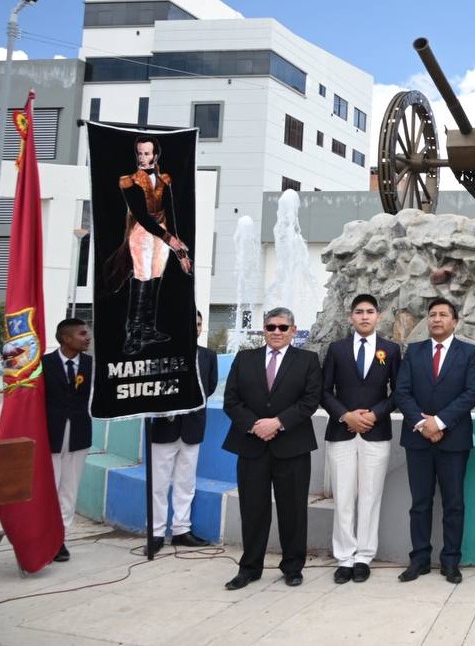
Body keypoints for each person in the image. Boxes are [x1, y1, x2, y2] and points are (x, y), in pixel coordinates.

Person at [221, 307, 322, 590]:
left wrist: (277, 423)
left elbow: (310, 401)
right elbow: (231, 400)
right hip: (252, 445)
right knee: (253, 510)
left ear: (293, 330)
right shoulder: (245, 359)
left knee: (293, 510)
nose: (276, 332)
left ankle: (292, 567)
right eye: (270, 327)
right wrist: (255, 425)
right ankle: (250, 568)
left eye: (282, 327)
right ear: (263, 329)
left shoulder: (308, 360)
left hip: (292, 446)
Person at [394, 297, 475, 585]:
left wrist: (439, 422)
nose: (437, 319)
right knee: (420, 502)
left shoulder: (468, 353)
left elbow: (471, 393)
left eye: (443, 314)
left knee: (454, 503)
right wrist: (423, 424)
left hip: (453, 439)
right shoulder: (414, 351)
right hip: (418, 439)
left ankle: (451, 561)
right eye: (432, 315)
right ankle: (418, 559)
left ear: (455, 321)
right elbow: (402, 392)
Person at [321, 293, 403, 585]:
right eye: (359, 312)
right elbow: (324, 390)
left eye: (370, 311)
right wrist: (346, 416)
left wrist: (374, 414)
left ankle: (364, 556)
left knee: (370, 497)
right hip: (341, 432)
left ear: (378, 316)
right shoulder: (337, 349)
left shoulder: (391, 350)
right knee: (343, 496)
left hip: (375, 432)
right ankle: (344, 556)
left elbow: (398, 392)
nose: (365, 316)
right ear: (351, 317)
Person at [105, 135, 193, 355]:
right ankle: (133, 333)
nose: (142, 158)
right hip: (142, 232)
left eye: (146, 153)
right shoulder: (129, 181)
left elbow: (170, 212)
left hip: (162, 232)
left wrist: (178, 243)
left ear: (155, 155)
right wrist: (170, 239)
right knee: (142, 277)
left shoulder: (164, 180)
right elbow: (142, 217)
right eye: (140, 153)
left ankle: (148, 328)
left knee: (155, 277)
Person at [148, 310, 219, 553]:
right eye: (191, 324)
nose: (196, 328)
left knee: (185, 483)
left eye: (199, 324)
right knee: (158, 483)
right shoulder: (160, 354)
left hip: (192, 428)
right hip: (165, 428)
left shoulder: (208, 356)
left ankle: (181, 529)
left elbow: (208, 388)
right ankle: (156, 532)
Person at [43, 318, 93, 563]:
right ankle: (44, 536)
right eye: (83, 333)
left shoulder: (91, 364)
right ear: (66, 338)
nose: (88, 337)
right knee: (49, 488)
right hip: (50, 436)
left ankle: (60, 539)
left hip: (78, 435)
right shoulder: (45, 364)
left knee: (69, 489)